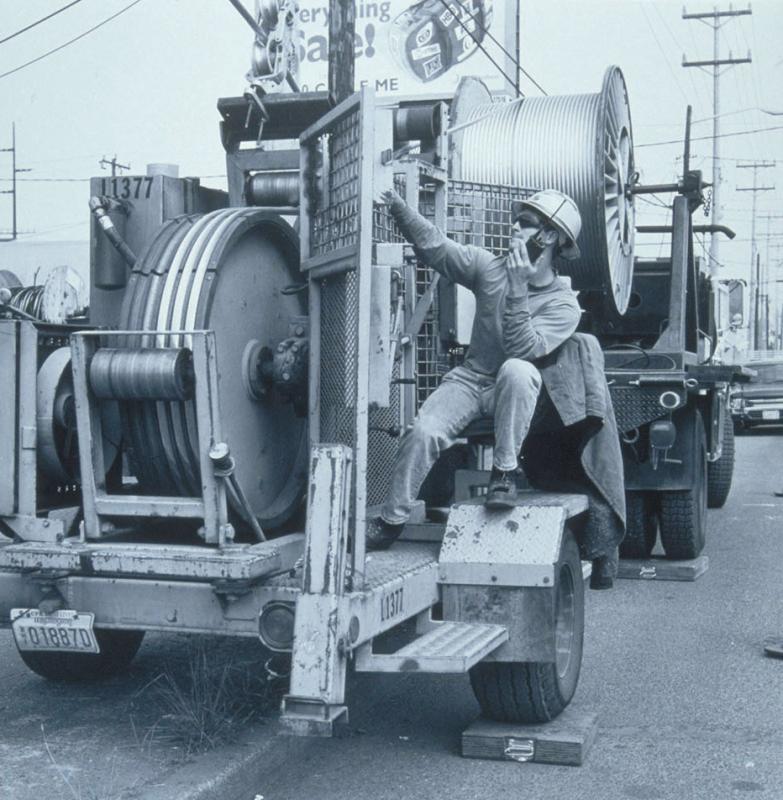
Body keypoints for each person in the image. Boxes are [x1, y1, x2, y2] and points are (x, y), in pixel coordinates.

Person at [367, 186, 584, 549]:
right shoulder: (490, 267)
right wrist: (398, 208)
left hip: (515, 393)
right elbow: (437, 248)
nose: (514, 226)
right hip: (470, 380)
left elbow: (524, 349)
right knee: (423, 431)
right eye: (517, 219)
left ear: (549, 237)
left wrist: (517, 289)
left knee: (518, 369)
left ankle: (504, 473)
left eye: (526, 223)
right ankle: (392, 521)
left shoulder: (564, 306)